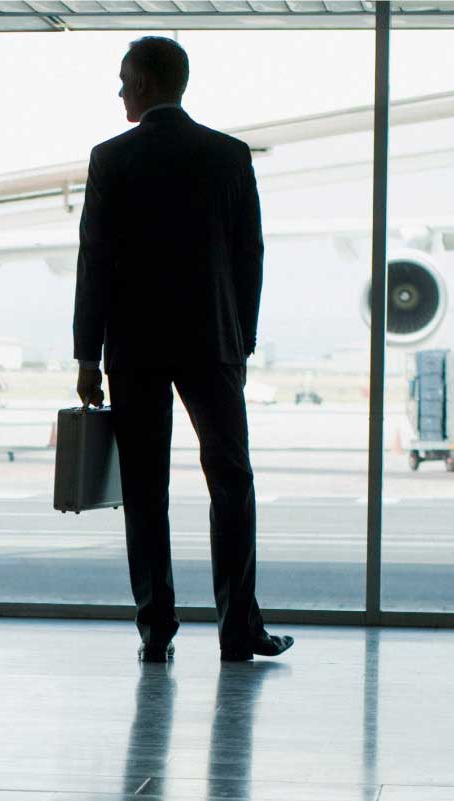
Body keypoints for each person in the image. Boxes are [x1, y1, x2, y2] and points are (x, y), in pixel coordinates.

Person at [74, 36, 292, 664]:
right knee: (231, 481)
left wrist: (88, 354)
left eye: (122, 81)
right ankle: (238, 630)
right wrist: (240, 338)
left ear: (143, 83)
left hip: (135, 346)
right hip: (210, 342)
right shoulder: (227, 155)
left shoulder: (110, 158)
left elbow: (96, 262)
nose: (119, 92)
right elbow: (249, 254)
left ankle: (155, 630)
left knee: (145, 490)